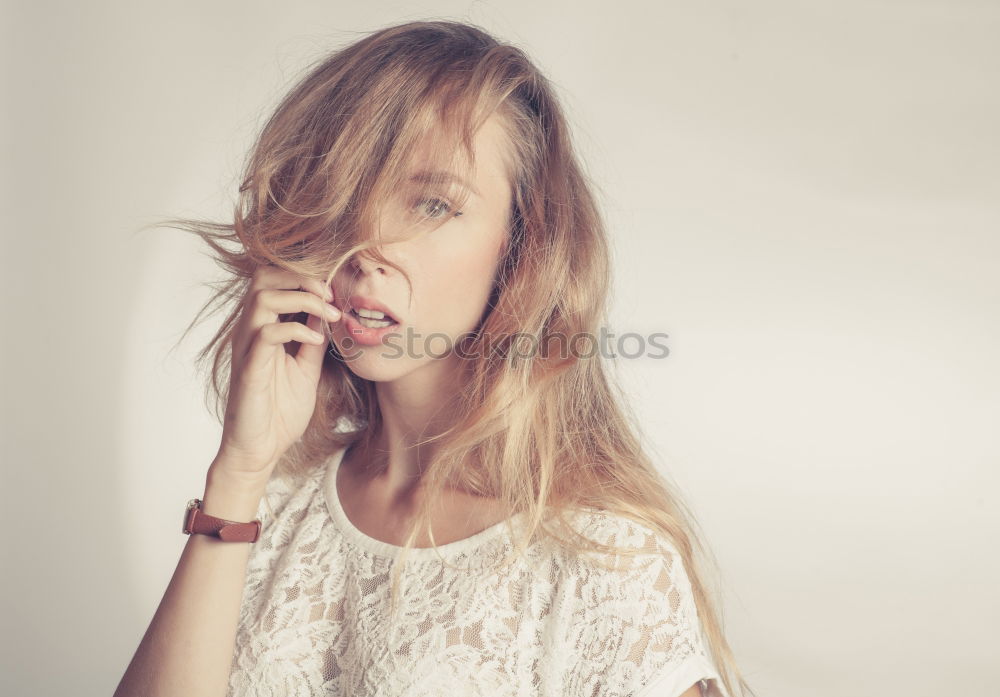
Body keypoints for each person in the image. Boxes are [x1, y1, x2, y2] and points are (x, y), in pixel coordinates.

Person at [114, 19, 755, 697]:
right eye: (347, 197)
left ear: (523, 245)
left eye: (432, 203)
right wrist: (239, 470)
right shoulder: (269, 508)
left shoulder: (602, 558)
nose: (370, 243)